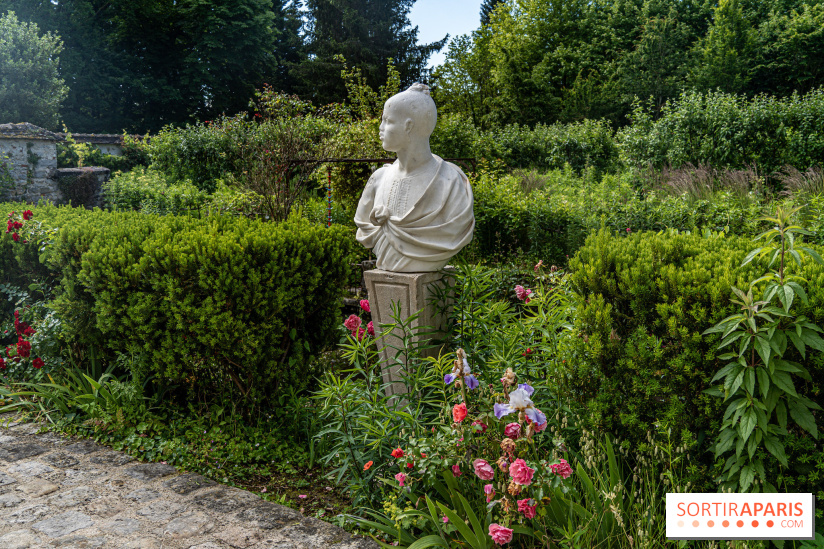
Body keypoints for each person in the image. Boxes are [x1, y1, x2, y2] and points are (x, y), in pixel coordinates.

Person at [354, 83, 474, 272]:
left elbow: (455, 228)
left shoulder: (451, 182)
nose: (380, 127)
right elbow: (364, 227)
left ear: (408, 126)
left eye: (387, 121)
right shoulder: (379, 179)